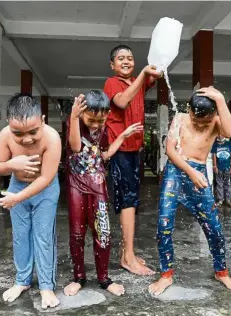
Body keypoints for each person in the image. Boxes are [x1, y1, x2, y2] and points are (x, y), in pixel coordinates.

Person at [148, 87, 231, 296]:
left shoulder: (218, 121)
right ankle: (166, 274)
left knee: (214, 228)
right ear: (189, 110)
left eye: (205, 122)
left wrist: (219, 98)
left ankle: (221, 271)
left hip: (198, 173)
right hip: (176, 171)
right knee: (164, 224)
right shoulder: (180, 118)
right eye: (196, 119)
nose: (200, 125)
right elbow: (170, 150)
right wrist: (190, 172)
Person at [63, 90, 144, 297]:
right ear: (82, 113)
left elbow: (104, 154)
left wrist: (123, 136)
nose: (96, 124)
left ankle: (104, 278)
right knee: (77, 233)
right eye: (91, 119)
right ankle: (79, 277)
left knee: (103, 233)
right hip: (76, 185)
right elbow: (76, 146)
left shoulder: (103, 128)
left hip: (98, 185)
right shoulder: (73, 122)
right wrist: (73, 117)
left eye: (101, 120)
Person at [0, 94, 61, 309]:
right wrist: (14, 163)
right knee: (21, 235)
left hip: (45, 190)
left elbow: (46, 178)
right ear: (9, 125)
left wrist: (16, 198)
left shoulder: (52, 138)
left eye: (33, 131)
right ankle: (22, 281)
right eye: (18, 133)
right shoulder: (5, 136)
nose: (27, 139)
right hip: (17, 185)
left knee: (43, 236)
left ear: (42, 120)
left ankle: (46, 286)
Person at [103, 44, 163, 275]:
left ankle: (127, 252)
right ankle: (127, 257)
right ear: (113, 64)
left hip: (135, 149)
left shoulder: (138, 80)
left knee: (132, 201)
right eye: (121, 58)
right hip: (120, 150)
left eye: (130, 58)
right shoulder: (112, 83)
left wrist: (159, 60)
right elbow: (121, 102)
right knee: (127, 202)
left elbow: (156, 73)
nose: (126, 61)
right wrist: (143, 75)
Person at [211, 135, 231, 207]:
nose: (220, 135)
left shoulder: (228, 143)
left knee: (227, 183)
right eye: (218, 134)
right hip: (219, 167)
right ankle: (220, 200)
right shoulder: (215, 144)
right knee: (219, 184)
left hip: (227, 167)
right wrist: (215, 166)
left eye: (221, 134)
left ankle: (228, 200)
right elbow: (214, 155)